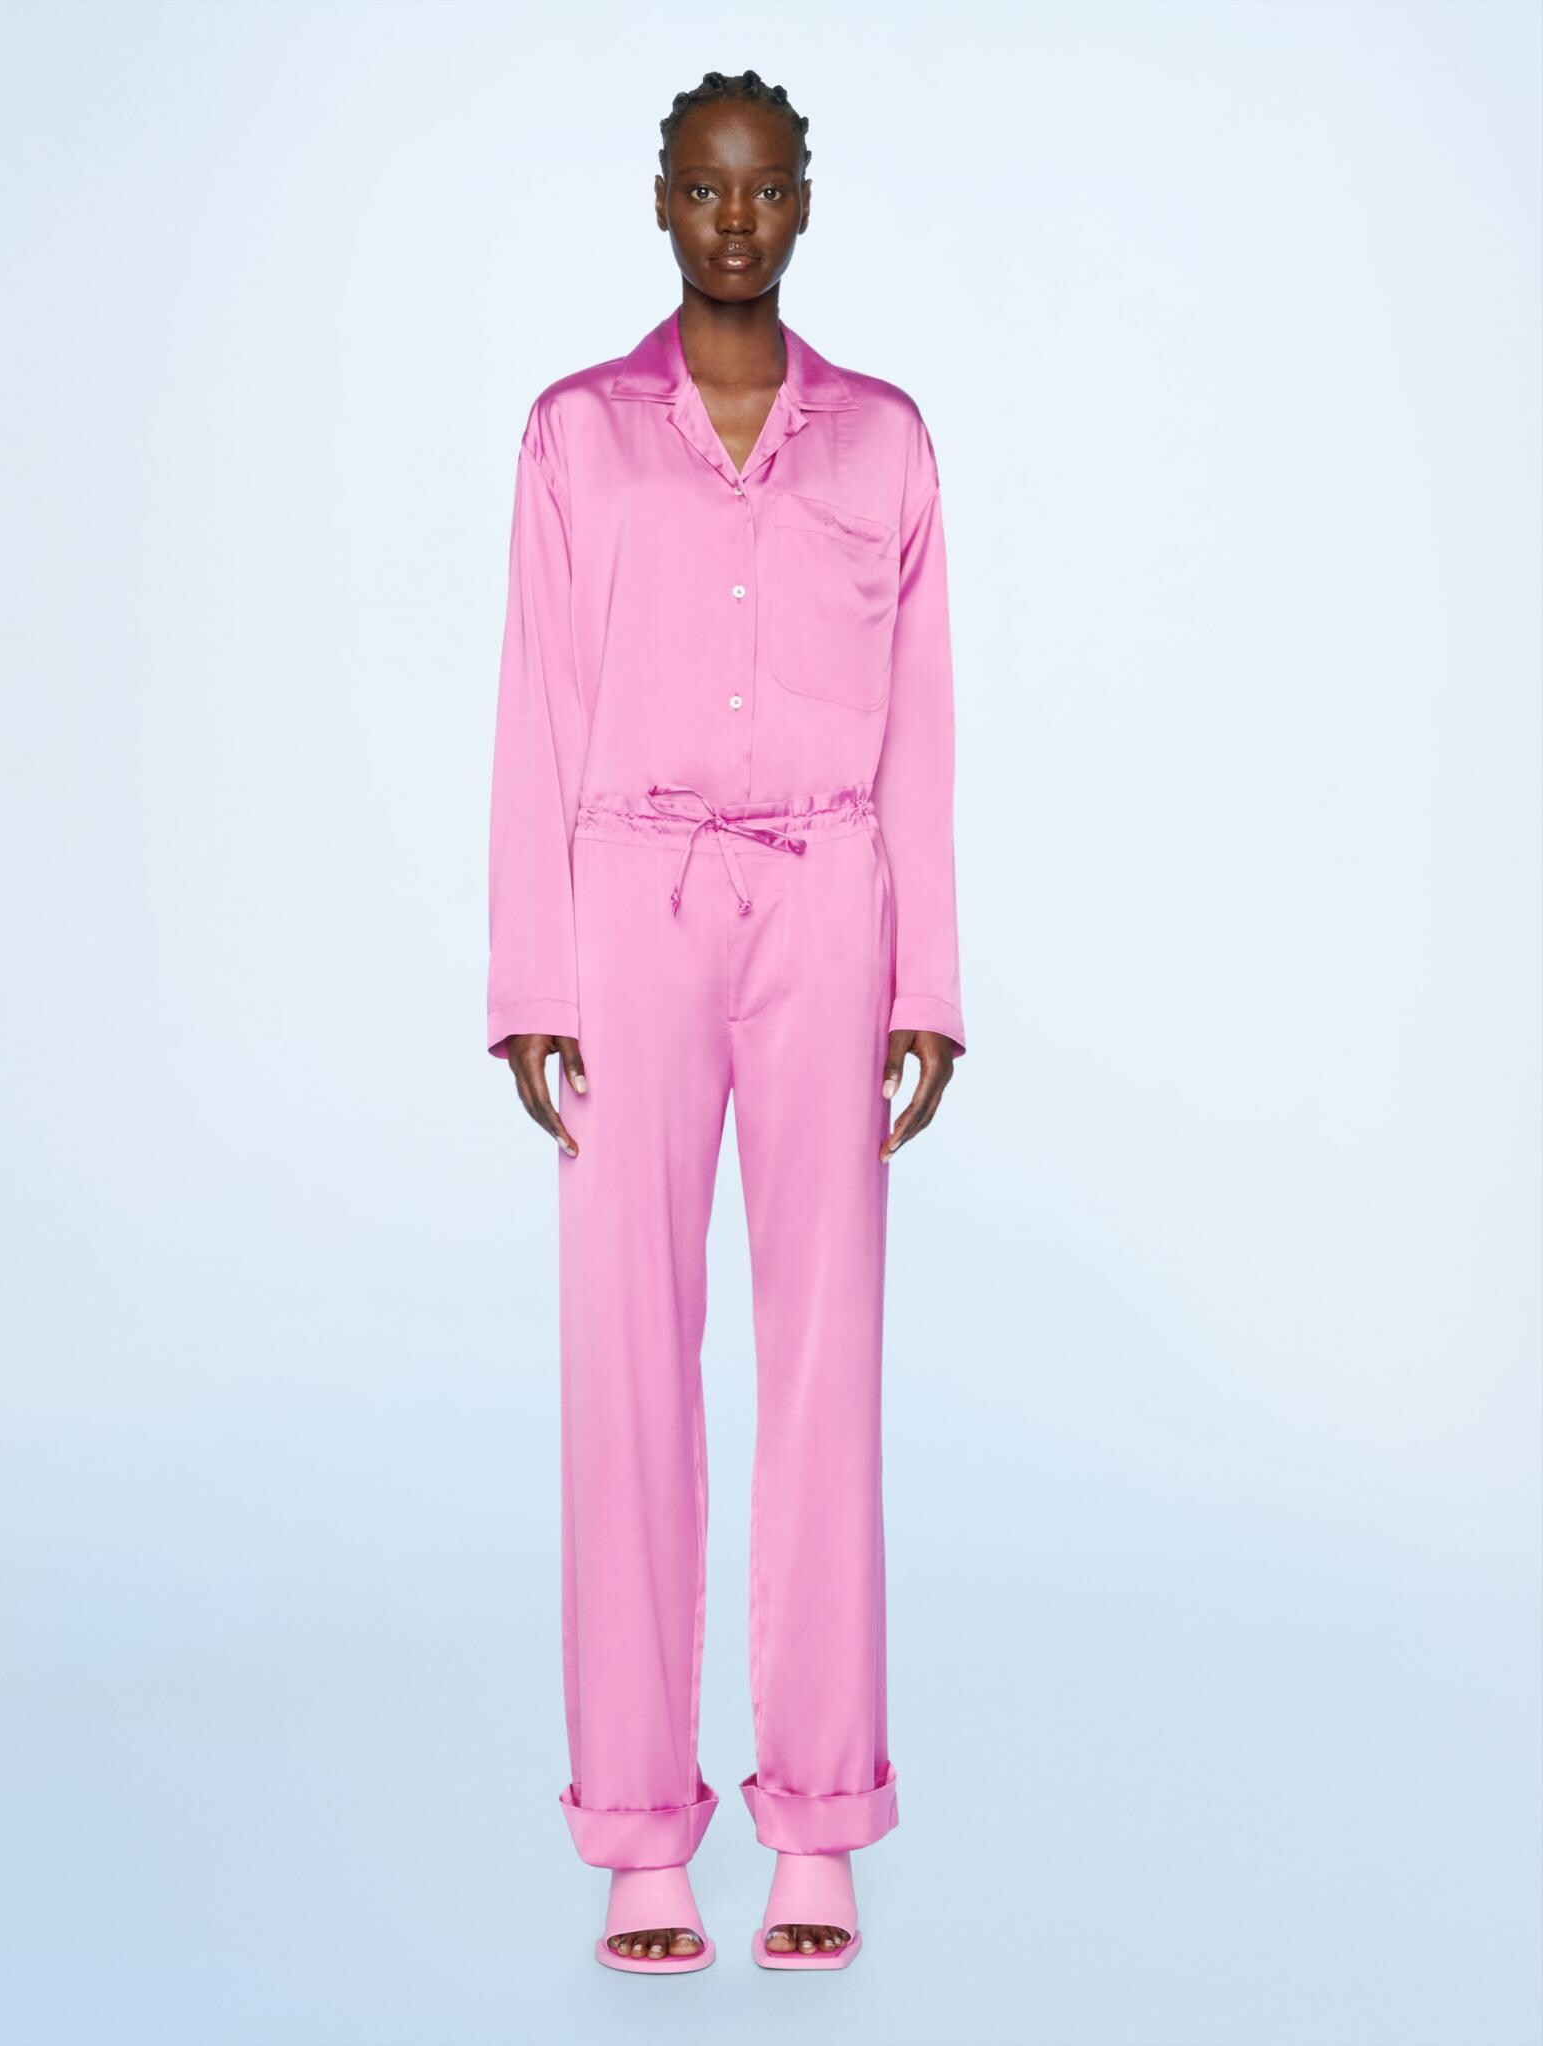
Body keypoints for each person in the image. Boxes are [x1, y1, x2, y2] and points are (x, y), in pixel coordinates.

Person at [485, 67, 965, 1973]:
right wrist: (534, 981)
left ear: (807, 202)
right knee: (627, 1361)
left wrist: (926, 978)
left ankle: (821, 1819)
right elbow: (534, 707)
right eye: (707, 188)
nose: (737, 221)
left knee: (826, 1364)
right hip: (633, 898)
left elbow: (922, 724)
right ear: (664, 201)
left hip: (830, 895)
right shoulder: (576, 437)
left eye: (767, 189)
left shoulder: (885, 443)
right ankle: (638, 1833)